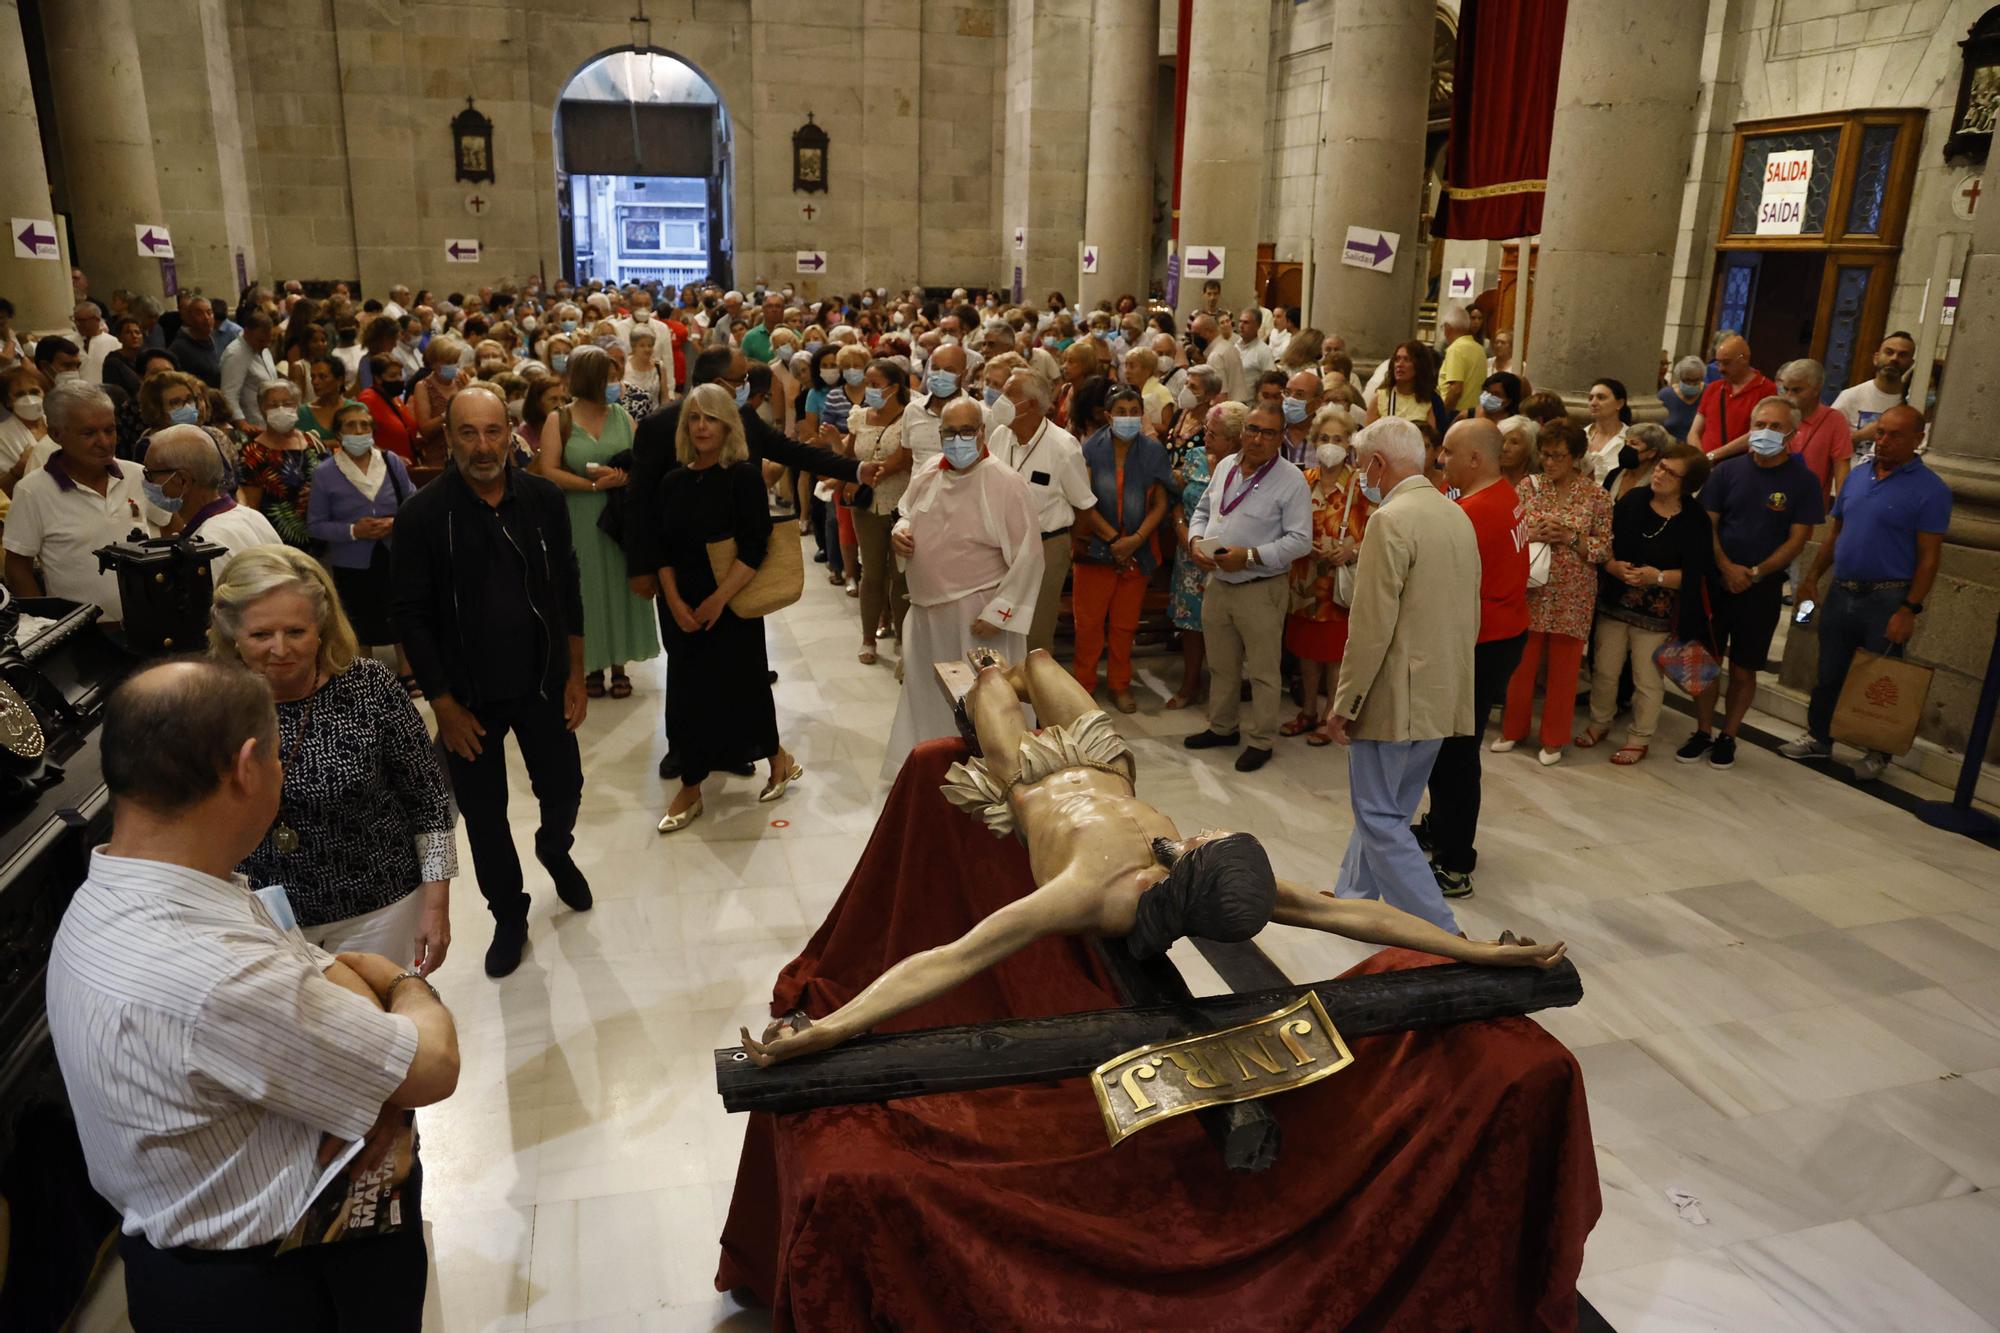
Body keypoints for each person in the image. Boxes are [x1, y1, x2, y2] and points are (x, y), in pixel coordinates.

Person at [743, 647, 1563, 1066]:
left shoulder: (1085, 892)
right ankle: (1014, 674)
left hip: (1025, 777)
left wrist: (830, 1029)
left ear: (1186, 874)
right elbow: (1348, 910)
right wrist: (1478, 947)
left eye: (1204, 844)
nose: (1201, 833)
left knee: (992, 678)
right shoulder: (1200, 871)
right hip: (1103, 761)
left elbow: (949, 957)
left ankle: (993, 680)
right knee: (1040, 664)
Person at [46, 659, 458, 1328]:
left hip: (189, 1264)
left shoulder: (121, 889)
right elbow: (431, 1066)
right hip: (279, 1279)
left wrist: (364, 1069)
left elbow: (319, 980)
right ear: (246, 766)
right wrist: (405, 986)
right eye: (275, 755)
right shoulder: (217, 973)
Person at [393, 385, 593, 978]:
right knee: (484, 816)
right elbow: (410, 616)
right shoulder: (422, 516)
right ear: (448, 438)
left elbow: (568, 588)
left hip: (543, 682)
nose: (483, 447)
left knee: (565, 788)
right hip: (468, 697)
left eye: (493, 432)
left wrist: (576, 671)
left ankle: (555, 850)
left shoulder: (544, 499)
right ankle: (509, 914)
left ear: (512, 433)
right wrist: (444, 706)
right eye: (468, 433)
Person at [213, 546, 454, 965]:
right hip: (263, 918)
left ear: (321, 628)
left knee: (378, 1022)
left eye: (296, 632)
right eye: (260, 635)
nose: (280, 649)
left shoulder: (370, 686)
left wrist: (435, 907)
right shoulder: (211, 703)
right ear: (234, 635)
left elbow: (429, 803)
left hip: (380, 908)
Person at [1320, 417, 1482, 932]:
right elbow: (1468, 613)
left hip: (1395, 694)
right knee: (1394, 804)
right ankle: (1352, 899)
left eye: (1359, 463)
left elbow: (1370, 628)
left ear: (1377, 464)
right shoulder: (1455, 514)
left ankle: (1440, 931)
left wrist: (1346, 702)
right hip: (1441, 688)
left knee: (1380, 815)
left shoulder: (1390, 521)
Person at [651, 384, 803, 832]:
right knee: (686, 693)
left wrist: (718, 600)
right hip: (682, 603)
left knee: (745, 685)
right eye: (694, 418)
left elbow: (755, 546)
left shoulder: (741, 476)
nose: (701, 427)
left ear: (727, 426)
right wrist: (675, 601)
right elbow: (660, 548)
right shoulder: (673, 480)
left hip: (732, 602)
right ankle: (692, 785)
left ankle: (777, 758)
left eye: (711, 418)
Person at [1782, 404, 1950, 779]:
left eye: (1895, 435)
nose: (1884, 441)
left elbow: (1928, 559)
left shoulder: (1931, 490)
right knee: (1829, 671)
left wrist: (1909, 609)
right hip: (1843, 590)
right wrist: (1812, 578)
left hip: (1887, 597)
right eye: (1880, 433)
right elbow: (1835, 535)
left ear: (1918, 439)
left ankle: (1878, 752)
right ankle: (1819, 737)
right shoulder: (1857, 477)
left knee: (1881, 679)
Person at [882, 397, 1043, 775]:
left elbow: (1030, 556)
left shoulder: (1005, 482)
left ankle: (996, 767)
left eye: (965, 431)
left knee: (984, 701)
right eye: (949, 433)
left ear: (982, 432)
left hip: (977, 615)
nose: (957, 440)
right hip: (926, 613)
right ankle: (929, 764)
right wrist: (899, 533)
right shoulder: (926, 473)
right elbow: (906, 513)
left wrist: (1002, 612)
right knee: (925, 694)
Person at [1413, 419, 1529, 898]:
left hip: (1480, 643)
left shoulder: (1474, 511)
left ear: (1475, 459)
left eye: (1448, 451)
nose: (1441, 459)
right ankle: (1440, 827)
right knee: (1450, 747)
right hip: (1503, 633)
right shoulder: (1507, 493)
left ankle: (1456, 863)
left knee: (1455, 754)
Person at [1680, 395, 1824, 770]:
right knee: (1705, 661)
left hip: (1761, 588)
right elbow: (1707, 522)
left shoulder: (1803, 481)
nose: (1765, 432)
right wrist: (1726, 566)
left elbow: (1798, 539)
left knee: (1744, 668)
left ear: (1792, 433)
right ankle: (1703, 730)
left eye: (1775, 427)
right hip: (1717, 581)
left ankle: (1729, 735)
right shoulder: (1726, 472)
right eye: (1760, 425)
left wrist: (1755, 573)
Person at [1183, 401, 1312, 772]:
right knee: (1222, 665)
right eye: (1253, 429)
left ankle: (1261, 740)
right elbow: (1204, 511)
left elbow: (1301, 540)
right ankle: (1223, 727)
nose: (1257, 438)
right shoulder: (1226, 466)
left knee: (1262, 670)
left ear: (1280, 437)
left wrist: (1251, 556)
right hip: (1218, 582)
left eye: (1268, 432)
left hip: (1260, 585)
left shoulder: (1291, 480)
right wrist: (1195, 542)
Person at [533, 345, 658, 699]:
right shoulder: (561, 419)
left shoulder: (622, 416)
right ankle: (590, 664)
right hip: (579, 514)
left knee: (619, 583)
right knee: (584, 588)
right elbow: (549, 471)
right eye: (610, 377)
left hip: (619, 516)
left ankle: (619, 664)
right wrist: (592, 484)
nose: (616, 384)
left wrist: (621, 476)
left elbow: (642, 465)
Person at [1578, 443, 1713, 766]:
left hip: (1657, 614)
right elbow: (1605, 539)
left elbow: (1699, 573)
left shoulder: (1695, 520)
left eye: (1671, 472)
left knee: (1646, 679)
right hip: (1615, 601)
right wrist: (1611, 565)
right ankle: (1600, 721)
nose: (1660, 475)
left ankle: (1640, 737)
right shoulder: (1635, 500)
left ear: (1687, 483)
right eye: (1661, 466)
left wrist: (1660, 577)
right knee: (1605, 671)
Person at [1494, 419, 1612, 765]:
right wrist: (1534, 531)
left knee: (1564, 671)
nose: (1550, 462)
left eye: (1558, 456)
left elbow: (1603, 549)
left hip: (1573, 593)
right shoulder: (1529, 487)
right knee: (1520, 666)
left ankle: (1554, 739)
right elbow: (1510, 531)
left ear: (1576, 456)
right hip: (1530, 588)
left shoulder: (1597, 496)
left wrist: (1569, 537)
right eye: (1545, 455)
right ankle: (1512, 730)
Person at [4, 383, 164, 622]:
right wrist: (46, 624)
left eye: (110, 430)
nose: (104, 442)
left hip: (150, 623)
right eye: (89, 433)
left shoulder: (138, 475)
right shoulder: (32, 491)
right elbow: (17, 566)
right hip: (81, 636)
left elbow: (171, 527)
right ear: (56, 434)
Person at [1072, 389, 1172, 713]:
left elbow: (1161, 502)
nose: (1127, 416)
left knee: (1124, 625)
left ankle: (1119, 684)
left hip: (1138, 550)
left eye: (1134, 410)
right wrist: (1115, 540)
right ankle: (1083, 686)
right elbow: (1082, 502)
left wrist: (1136, 539)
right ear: (1108, 414)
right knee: (1088, 625)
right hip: (1096, 547)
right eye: (1120, 410)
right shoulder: (1089, 449)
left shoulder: (1153, 450)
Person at [308, 400, 418, 690]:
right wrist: (353, 530)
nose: (358, 430)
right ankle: (366, 677)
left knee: (400, 612)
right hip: (352, 561)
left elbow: (413, 502)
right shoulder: (326, 473)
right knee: (361, 621)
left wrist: (395, 523)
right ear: (339, 433)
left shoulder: (391, 462)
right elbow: (316, 524)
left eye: (364, 425)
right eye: (351, 425)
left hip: (393, 553)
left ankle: (408, 669)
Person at [993, 368, 1094, 658]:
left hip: (1045, 544)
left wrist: (1069, 546)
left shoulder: (1062, 446)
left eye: (1009, 394)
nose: (1001, 400)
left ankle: (1033, 698)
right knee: (999, 625)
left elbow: (1084, 505)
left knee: (1035, 632)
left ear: (1032, 405)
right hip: (1001, 545)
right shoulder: (1000, 435)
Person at [1280, 408, 1367, 742]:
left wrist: (1351, 550)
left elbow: (1376, 529)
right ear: (1314, 442)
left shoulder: (1361, 485)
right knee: (1306, 651)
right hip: (1304, 579)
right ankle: (1307, 711)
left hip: (1339, 583)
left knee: (1335, 655)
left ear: (1350, 444)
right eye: (1325, 438)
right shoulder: (1303, 481)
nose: (1331, 444)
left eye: (1338, 439)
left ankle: (1332, 717)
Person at [1167, 401, 1242, 710]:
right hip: (1191, 552)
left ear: (1235, 439)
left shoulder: (1245, 466)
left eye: (1214, 433)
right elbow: (1177, 502)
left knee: (1226, 625)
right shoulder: (1195, 458)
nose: (1206, 437)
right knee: (1190, 623)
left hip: (1228, 556)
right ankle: (1190, 681)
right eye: (1207, 430)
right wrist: (1185, 536)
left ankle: (1225, 687)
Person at [1707, 358, 1852, 506]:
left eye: (1797, 390)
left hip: (1806, 505)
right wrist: (1714, 455)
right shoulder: (1777, 412)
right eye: (1786, 389)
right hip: (1761, 500)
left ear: (1817, 389)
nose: (1789, 396)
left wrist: (1841, 513)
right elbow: (1752, 442)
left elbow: (1842, 470)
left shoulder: (1834, 421)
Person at [142, 425, 280, 573]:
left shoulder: (205, 547)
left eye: (150, 475)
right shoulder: (254, 517)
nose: (146, 482)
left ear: (182, 480)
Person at [849, 358, 914, 663]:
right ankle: (867, 639)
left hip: (901, 504)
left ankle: (904, 640)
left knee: (900, 576)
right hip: (867, 506)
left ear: (894, 387)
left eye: (875, 385)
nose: (869, 390)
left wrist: (880, 471)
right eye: (868, 384)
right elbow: (850, 457)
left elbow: (905, 459)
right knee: (872, 573)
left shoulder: (909, 418)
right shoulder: (860, 417)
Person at [238, 379, 329, 549]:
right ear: (261, 408)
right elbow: (252, 509)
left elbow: (333, 483)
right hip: (277, 543)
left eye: (287, 403)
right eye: (273, 404)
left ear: (297, 406)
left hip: (322, 538)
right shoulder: (253, 452)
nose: (281, 409)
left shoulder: (312, 441)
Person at [1831, 331, 1915, 460]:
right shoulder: (1850, 397)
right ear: (1876, 358)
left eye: (1902, 355)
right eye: (1889, 352)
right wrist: (1860, 435)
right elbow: (1828, 444)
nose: (1894, 358)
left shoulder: (1913, 401)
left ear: (1910, 364)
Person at [1687, 334, 1776, 455]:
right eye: (1718, 363)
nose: (1721, 369)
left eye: (1727, 363)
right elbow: (1694, 432)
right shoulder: (1713, 388)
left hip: (1738, 466)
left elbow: (1758, 434)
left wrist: (1714, 456)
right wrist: (1700, 459)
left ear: (1744, 358)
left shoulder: (1767, 390)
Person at [220, 312, 282, 432]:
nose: (266, 345)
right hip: (252, 424)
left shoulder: (262, 348)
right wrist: (242, 424)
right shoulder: (235, 354)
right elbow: (228, 395)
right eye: (261, 340)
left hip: (270, 420)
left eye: (269, 340)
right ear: (246, 332)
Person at [1367, 341, 1441, 431]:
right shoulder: (1380, 398)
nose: (1399, 364)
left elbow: (1431, 439)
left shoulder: (1427, 401)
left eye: (1407, 360)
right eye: (1397, 359)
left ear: (1419, 365)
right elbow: (1368, 438)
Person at [359, 355, 419, 462]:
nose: (399, 380)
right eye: (392, 376)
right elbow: (362, 441)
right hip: (384, 467)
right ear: (378, 378)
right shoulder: (368, 399)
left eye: (400, 375)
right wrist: (389, 458)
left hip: (408, 467)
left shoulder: (395, 398)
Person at [1435, 304, 1486, 414]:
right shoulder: (1479, 349)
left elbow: (1456, 389)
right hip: (1472, 412)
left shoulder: (1455, 349)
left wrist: (1443, 413)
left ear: (1448, 328)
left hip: (1455, 412)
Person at [1581, 378, 1632, 484]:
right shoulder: (1580, 435)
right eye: (1590, 398)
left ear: (1620, 403)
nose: (1593, 403)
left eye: (1601, 397)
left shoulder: (1630, 439)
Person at [1605, 421, 1670, 503]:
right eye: (1625, 442)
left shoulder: (1655, 485)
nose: (1627, 447)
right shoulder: (1613, 474)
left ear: (1652, 453)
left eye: (1633, 444)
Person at [168, 295, 222, 387]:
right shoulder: (179, 348)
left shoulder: (212, 340)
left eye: (209, 313)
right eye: (199, 313)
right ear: (189, 318)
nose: (206, 318)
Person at [1660, 355, 1707, 441]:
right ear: (1680, 378)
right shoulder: (1665, 395)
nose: (1691, 385)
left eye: (1696, 380)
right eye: (1687, 380)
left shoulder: (1708, 394)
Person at [72, 301, 120, 382]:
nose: (77, 324)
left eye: (82, 320)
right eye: (75, 320)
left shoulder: (113, 342)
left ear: (96, 320)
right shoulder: (68, 341)